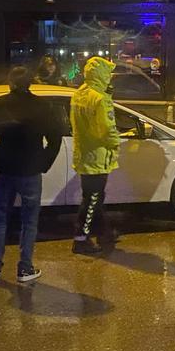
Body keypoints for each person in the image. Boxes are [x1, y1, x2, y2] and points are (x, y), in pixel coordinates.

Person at [0, 67, 62, 282]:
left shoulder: (1, 103)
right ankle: (25, 268)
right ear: (30, 83)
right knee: (29, 221)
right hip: (30, 169)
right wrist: (43, 162)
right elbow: (55, 137)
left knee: (0, 218)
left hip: (6, 170)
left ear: (11, 82)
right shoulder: (41, 105)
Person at [70, 56, 120, 255]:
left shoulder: (80, 94)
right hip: (98, 156)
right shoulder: (100, 99)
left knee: (94, 196)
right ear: (101, 75)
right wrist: (115, 144)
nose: (110, 77)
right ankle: (80, 239)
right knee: (92, 199)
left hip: (83, 154)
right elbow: (107, 130)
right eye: (108, 74)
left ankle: (104, 231)